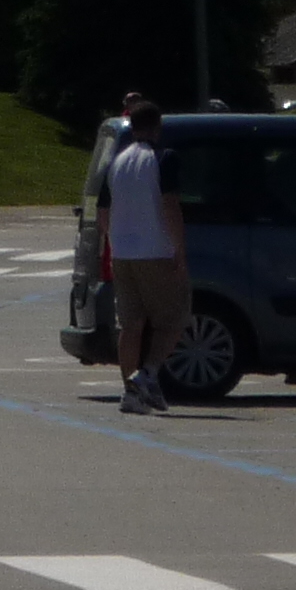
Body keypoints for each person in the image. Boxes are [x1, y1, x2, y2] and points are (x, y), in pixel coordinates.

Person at [96, 99, 186, 417]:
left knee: (131, 326)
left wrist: (114, 240)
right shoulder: (163, 159)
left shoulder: (116, 164)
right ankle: (147, 373)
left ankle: (130, 392)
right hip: (155, 251)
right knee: (173, 319)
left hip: (123, 254)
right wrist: (179, 248)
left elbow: (102, 211)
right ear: (156, 126)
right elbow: (170, 205)